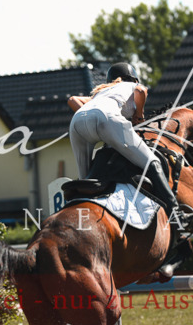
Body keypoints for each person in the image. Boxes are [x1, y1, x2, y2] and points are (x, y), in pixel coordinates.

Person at [67, 62, 179, 217]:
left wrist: (91, 119)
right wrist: (138, 115)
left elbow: (73, 100)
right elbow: (141, 90)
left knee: (86, 180)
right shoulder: (130, 86)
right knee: (152, 162)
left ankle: (77, 213)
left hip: (77, 123)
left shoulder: (102, 92)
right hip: (106, 119)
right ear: (134, 79)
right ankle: (176, 213)